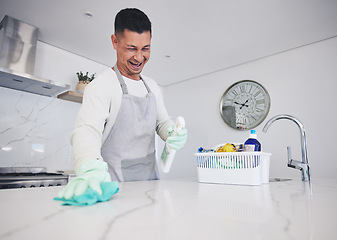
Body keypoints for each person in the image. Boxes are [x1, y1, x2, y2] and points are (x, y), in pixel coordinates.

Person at [58, 8, 187, 199]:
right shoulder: (102, 85)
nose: (139, 57)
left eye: (146, 49)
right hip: (114, 190)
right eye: (131, 48)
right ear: (115, 42)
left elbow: (162, 122)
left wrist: (171, 132)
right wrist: (88, 166)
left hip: (151, 188)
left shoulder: (152, 87)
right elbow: (87, 130)